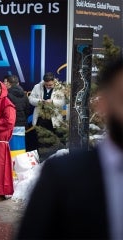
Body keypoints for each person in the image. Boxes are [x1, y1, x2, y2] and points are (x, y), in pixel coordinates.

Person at [16, 58, 123, 239]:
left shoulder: (58, 88)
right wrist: (41, 100)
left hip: (54, 120)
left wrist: (51, 103)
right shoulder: (62, 175)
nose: (49, 84)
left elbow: (61, 101)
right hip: (40, 119)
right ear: (103, 103)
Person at [5, 75, 31, 156]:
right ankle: (19, 167)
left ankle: (11, 168)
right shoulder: (24, 95)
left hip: (10, 126)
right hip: (21, 126)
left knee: (10, 149)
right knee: (20, 149)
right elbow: (27, 110)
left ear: (8, 84)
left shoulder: (6, 95)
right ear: (18, 83)